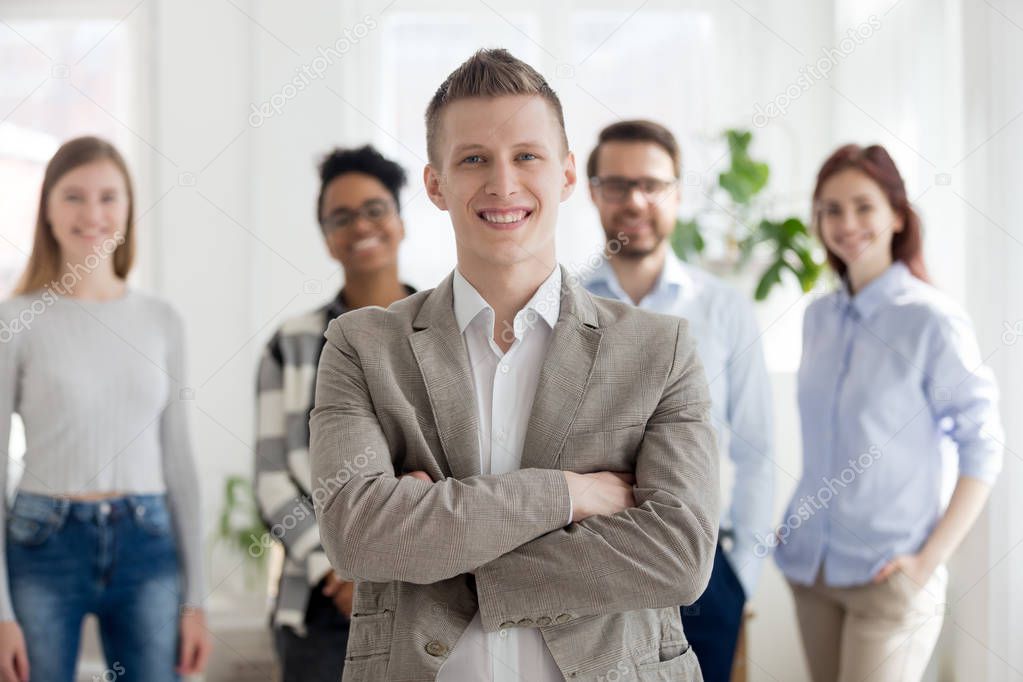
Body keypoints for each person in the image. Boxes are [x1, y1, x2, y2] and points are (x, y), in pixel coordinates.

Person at [308, 48, 719, 682]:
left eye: (526, 155)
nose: (503, 184)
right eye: (474, 159)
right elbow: (357, 537)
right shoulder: (362, 347)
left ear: (565, 175)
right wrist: (569, 496)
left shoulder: (659, 350)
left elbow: (678, 557)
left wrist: (435, 542)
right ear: (436, 184)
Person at [774, 144, 1003, 682]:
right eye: (831, 209)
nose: (846, 223)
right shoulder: (818, 317)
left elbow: (984, 447)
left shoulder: (930, 320)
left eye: (863, 206)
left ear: (898, 215)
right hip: (812, 568)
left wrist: (926, 565)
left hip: (889, 576)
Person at [0, 136, 210, 681]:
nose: (92, 214)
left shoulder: (162, 320)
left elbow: (179, 464)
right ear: (47, 208)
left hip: (148, 544)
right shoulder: (16, 322)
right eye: (74, 196)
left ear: (128, 211)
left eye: (108, 197)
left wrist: (197, 601)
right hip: (43, 545)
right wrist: (0, 614)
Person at [583, 119, 773, 682]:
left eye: (652, 184)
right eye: (616, 185)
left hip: (704, 573)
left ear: (678, 193)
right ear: (592, 191)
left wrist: (742, 574)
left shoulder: (724, 310)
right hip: (592, 567)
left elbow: (758, 449)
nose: (635, 200)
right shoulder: (562, 305)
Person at [253, 145, 415, 682]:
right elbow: (273, 482)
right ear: (327, 238)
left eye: (375, 208)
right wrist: (338, 568)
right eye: (341, 217)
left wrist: (394, 564)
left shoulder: (449, 330)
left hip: (426, 593)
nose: (360, 225)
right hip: (322, 604)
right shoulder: (292, 344)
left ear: (400, 220)